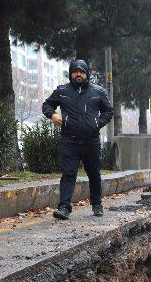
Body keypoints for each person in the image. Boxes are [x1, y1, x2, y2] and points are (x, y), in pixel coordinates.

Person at [42, 59, 113, 220]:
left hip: (91, 141)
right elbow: (47, 105)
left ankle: (97, 204)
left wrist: (97, 124)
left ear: (87, 74)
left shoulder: (98, 91)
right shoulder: (62, 91)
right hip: (69, 140)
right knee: (68, 174)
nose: (78, 74)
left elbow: (108, 112)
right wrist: (53, 115)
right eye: (75, 71)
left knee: (94, 173)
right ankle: (64, 207)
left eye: (82, 72)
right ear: (71, 74)